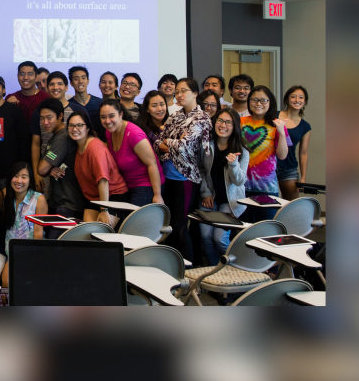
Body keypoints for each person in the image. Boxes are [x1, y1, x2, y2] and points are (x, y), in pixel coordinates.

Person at [154, 78, 212, 261]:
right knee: (168, 226)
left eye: (183, 91)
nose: (178, 95)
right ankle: (172, 266)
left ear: (195, 93)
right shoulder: (175, 116)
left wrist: (169, 143)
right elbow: (157, 142)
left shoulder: (202, 117)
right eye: (177, 91)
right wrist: (175, 141)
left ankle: (187, 270)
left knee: (180, 226)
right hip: (167, 177)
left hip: (185, 178)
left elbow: (183, 147)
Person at [198, 107, 249, 267]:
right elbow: (200, 170)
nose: (223, 125)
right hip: (209, 197)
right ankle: (214, 271)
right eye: (220, 121)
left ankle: (236, 268)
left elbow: (240, 181)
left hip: (230, 200)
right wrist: (205, 192)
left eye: (228, 122)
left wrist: (233, 164)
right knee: (206, 236)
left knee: (219, 238)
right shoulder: (206, 146)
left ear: (234, 127)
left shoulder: (242, 150)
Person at [29, 71, 89, 190]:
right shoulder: (39, 111)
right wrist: (37, 173)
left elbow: (88, 140)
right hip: (45, 167)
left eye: (60, 84)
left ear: (66, 87)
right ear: (47, 87)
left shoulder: (78, 111)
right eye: (51, 84)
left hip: (72, 170)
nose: (56, 87)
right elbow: (36, 144)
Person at [68, 111, 130, 226]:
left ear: (87, 128)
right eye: (71, 125)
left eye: (79, 125)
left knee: (100, 232)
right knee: (87, 233)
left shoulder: (94, 147)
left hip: (112, 196)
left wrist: (104, 209)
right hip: (94, 199)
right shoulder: (78, 146)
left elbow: (103, 181)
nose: (74, 129)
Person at [99, 99, 164, 207]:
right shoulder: (109, 131)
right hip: (126, 183)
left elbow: (152, 164)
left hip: (146, 183)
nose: (107, 121)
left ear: (121, 114)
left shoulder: (134, 134)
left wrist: (157, 195)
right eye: (103, 117)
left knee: (134, 220)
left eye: (111, 116)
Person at [35, 99, 85, 239]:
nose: (45, 122)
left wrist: (47, 168)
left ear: (61, 116)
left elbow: (42, 169)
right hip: (61, 201)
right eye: (42, 118)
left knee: (53, 247)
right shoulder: (55, 136)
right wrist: (50, 168)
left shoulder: (62, 138)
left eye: (49, 118)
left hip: (68, 204)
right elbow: (45, 168)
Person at [240, 85, 291, 222]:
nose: (258, 104)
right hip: (242, 184)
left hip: (266, 186)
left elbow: (282, 155)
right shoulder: (240, 122)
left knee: (265, 228)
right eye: (254, 100)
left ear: (270, 102)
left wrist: (281, 132)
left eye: (263, 100)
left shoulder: (277, 124)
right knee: (244, 227)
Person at [0, 162, 47, 288]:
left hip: (31, 253)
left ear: (30, 181)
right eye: (16, 176)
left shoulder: (38, 199)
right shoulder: (6, 196)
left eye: (24, 177)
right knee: (6, 284)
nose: (19, 180)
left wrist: (33, 259)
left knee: (26, 285)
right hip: (12, 253)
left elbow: (38, 233)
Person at [277, 85, 312, 201]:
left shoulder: (305, 126)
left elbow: (303, 153)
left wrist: (303, 178)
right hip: (269, 167)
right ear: (287, 99)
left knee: (290, 206)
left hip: (289, 169)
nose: (297, 100)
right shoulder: (274, 116)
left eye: (301, 97)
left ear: (305, 101)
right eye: (293, 97)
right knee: (269, 204)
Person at [69, 66, 103, 134]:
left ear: (88, 81)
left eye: (83, 78)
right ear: (71, 83)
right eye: (76, 79)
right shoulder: (69, 105)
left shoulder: (100, 103)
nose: (80, 81)